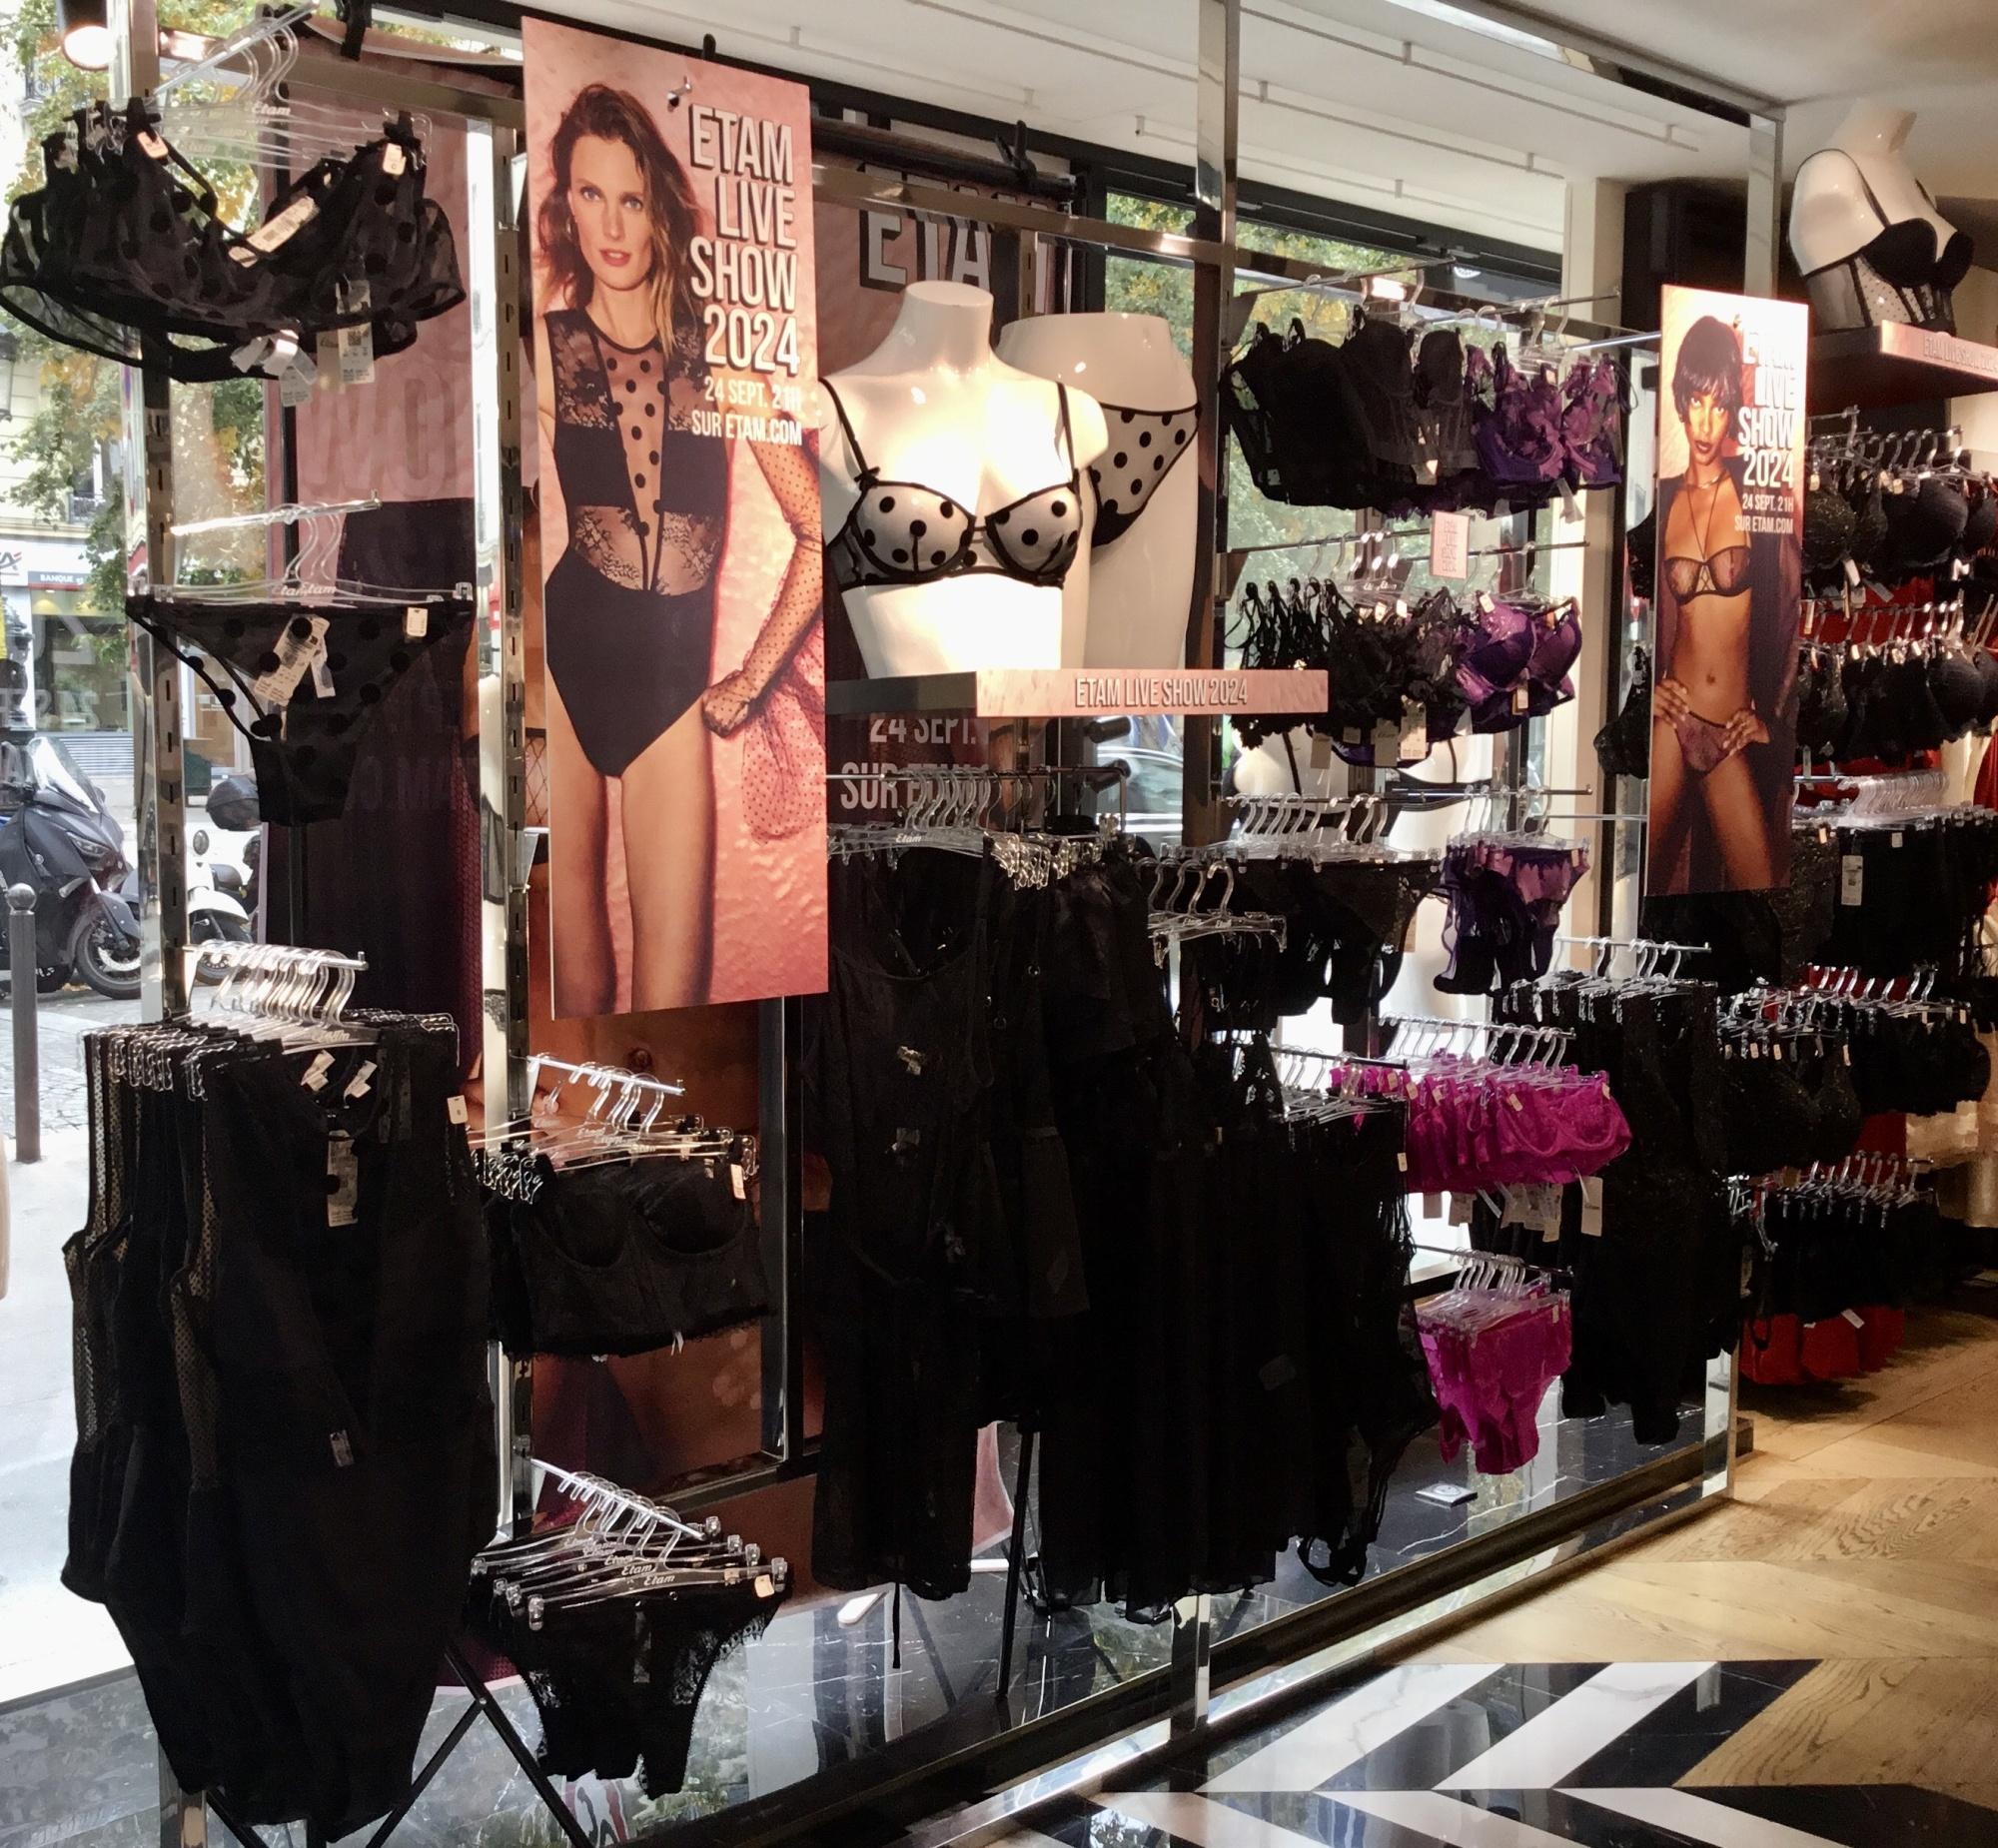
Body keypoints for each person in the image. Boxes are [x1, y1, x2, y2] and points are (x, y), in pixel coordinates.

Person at [534, 83, 820, 1014]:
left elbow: (819, 531)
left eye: (630, 198)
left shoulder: (723, 360)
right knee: (574, 983)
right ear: (566, 204)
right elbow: (509, 528)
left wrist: (753, 676)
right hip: (563, 665)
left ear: (659, 207)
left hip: (670, 687)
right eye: (590, 194)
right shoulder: (543, 352)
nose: (612, 225)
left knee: (676, 1004)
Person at [1648, 314, 1790, 892]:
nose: (1706, 423)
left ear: (1733, 409)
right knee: (1641, 881)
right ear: (1681, 402)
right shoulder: (1663, 501)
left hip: (1729, 728)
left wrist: (1770, 718)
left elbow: (1786, 614)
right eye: (1696, 403)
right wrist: (1650, 686)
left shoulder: (1757, 495)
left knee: (1762, 890)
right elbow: (1639, 622)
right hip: (1673, 720)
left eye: (1719, 405)